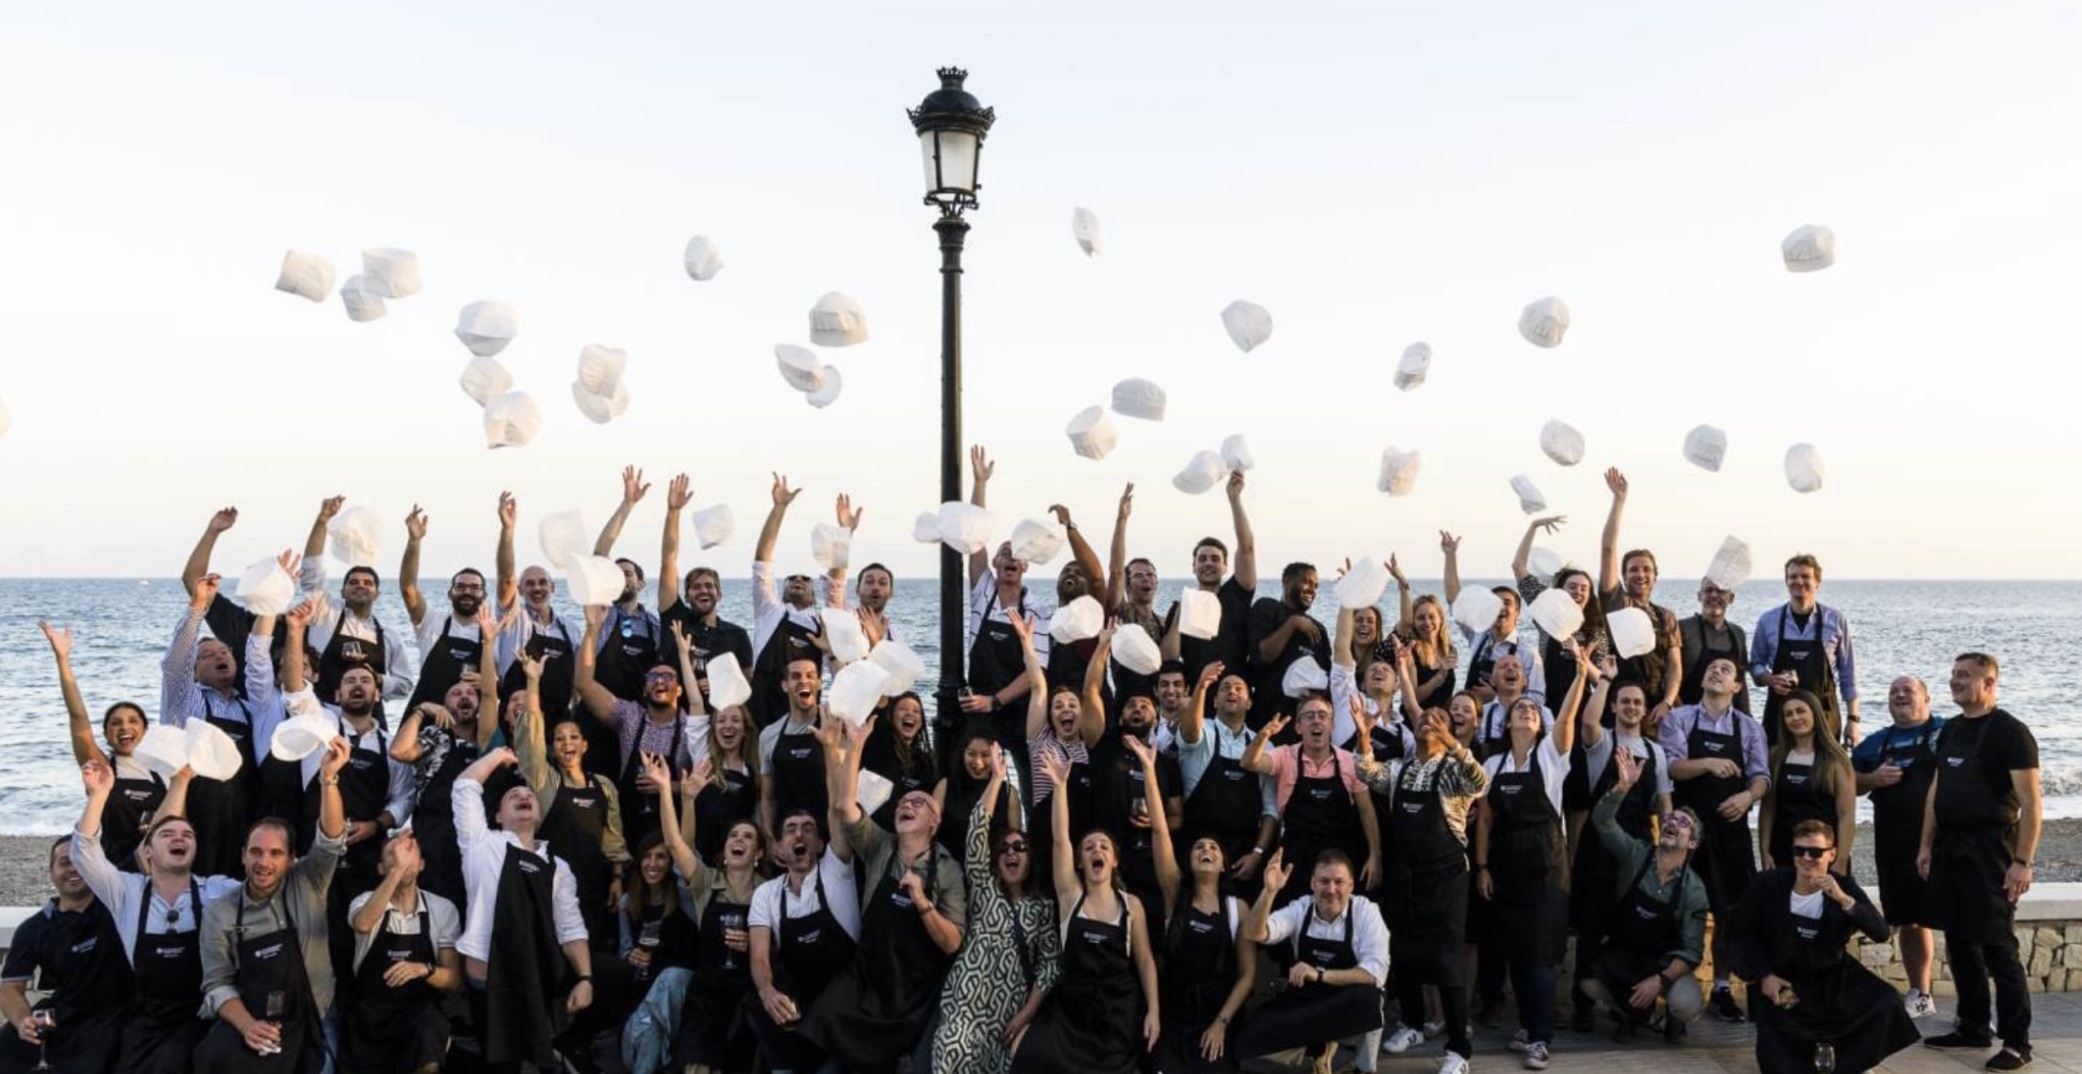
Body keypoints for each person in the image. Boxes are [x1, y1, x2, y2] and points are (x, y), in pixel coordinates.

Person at [799, 714, 967, 1071]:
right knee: (823, 1023)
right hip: (868, 977)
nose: (907, 805)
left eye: (918, 803)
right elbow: (845, 807)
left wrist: (923, 903)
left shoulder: (948, 869)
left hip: (912, 989)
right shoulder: (879, 846)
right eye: (904, 803)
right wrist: (855, 744)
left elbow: (953, 943)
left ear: (935, 823)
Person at [192, 738, 351, 1074]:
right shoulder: (221, 912)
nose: (264, 862)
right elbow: (216, 985)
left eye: (276, 853)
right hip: (258, 1021)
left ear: (292, 859)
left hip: (317, 1017)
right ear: (243, 856)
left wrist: (329, 779)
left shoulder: (309, 881)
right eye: (256, 852)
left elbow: (331, 839)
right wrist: (248, 1025)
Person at [1918, 652, 2040, 1070]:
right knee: (1959, 940)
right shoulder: (1950, 729)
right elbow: (1937, 789)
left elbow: (2030, 802)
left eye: (1964, 676)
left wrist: (2022, 862)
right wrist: (1926, 845)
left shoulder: (2012, 733)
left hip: (1993, 851)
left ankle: (2016, 1042)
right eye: (1953, 674)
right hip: (1950, 849)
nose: (1955, 681)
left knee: (1997, 946)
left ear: (1989, 684)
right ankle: (1972, 1026)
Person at [1356, 696, 1489, 1071]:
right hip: (1406, 874)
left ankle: (1458, 1050)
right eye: (1424, 718)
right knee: (1406, 953)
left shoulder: (1452, 768)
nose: (1428, 721)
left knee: (1447, 960)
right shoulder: (1399, 769)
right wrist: (1365, 736)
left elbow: (1480, 781)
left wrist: (1453, 744)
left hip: (1446, 876)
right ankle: (1412, 1024)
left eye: (1439, 718)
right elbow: (1366, 772)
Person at [72, 760, 231, 1074]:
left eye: (187, 835)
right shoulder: (126, 891)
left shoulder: (215, 890)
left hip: (200, 1018)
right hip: (146, 1023)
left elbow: (266, 884)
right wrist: (99, 795)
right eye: (167, 834)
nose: (179, 838)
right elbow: (83, 853)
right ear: (147, 852)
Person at [1011, 746, 1161, 1074]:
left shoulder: (1131, 904)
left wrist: (1154, 1011)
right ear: (1079, 862)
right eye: (1089, 847)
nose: (1096, 850)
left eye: (1104, 846)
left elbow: (1146, 961)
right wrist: (1061, 787)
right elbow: (1060, 839)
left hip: (1117, 1010)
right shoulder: (1070, 896)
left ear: (1114, 860)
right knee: (1028, 1051)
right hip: (1072, 1007)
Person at [1728, 820, 1919, 1073]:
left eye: (1815, 852)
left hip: (1832, 978)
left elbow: (1880, 932)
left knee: (1886, 1001)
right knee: (1782, 1060)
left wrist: (1843, 900)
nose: (1807, 858)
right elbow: (1742, 934)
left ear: (1831, 853)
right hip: (1783, 981)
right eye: (1800, 851)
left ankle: (1848, 1062)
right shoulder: (1768, 885)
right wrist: (1764, 974)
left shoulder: (1843, 887)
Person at [1473, 658, 1590, 1068]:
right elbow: (1484, 819)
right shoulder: (1492, 766)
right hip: (1505, 865)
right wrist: (1483, 866)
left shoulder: (1551, 757)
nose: (1526, 711)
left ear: (1541, 725)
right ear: (1506, 725)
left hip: (1546, 864)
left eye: (1533, 711)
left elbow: (1570, 716)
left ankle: (1541, 1037)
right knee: (1517, 952)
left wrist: (1580, 675)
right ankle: (1527, 1025)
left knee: (1540, 955)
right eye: (1519, 709)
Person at [451, 747, 596, 1072]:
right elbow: (464, 786)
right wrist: (498, 756)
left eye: (529, 794)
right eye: (513, 795)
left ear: (540, 815)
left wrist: (585, 978)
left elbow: (570, 928)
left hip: (536, 982)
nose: (523, 796)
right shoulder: (479, 844)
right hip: (487, 986)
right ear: (498, 816)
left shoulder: (558, 867)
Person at [929, 743, 1060, 1074]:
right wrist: (998, 778)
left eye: (1020, 848)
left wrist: (1026, 1015)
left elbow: (1049, 966)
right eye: (1004, 848)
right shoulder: (983, 883)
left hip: (1010, 1011)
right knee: (948, 1056)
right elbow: (978, 826)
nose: (1012, 853)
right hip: (965, 1006)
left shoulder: (1042, 907)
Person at [1563, 652, 1670, 1033]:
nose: (1631, 706)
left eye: (1637, 702)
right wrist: (1605, 677)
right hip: (1598, 848)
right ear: (1614, 706)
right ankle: (1582, 1005)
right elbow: (1587, 720)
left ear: (1644, 710)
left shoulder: (1656, 752)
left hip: (1638, 850)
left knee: (1631, 930)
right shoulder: (1603, 741)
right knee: (1591, 929)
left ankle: (1626, 1007)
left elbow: (1664, 806)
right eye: (1624, 701)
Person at [1659, 656, 1769, 1021]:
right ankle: (1674, 990)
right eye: (1712, 668)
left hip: (1732, 832)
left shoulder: (1750, 728)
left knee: (1730, 914)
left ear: (1738, 687)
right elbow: (1672, 767)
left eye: (1726, 670)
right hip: (1690, 832)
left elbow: (1761, 777)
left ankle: (1722, 989)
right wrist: (1707, 763)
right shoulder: (1680, 718)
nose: (1716, 671)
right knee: (1678, 911)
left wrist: (1747, 797)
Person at [1578, 749, 1709, 1043]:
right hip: (1626, 953)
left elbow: (1692, 952)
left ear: (1693, 843)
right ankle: (1636, 1014)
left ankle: (1673, 1017)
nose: (1673, 823)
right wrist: (1622, 787)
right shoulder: (1636, 854)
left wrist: (1659, 980)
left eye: (1683, 824)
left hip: (1663, 963)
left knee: (1687, 1003)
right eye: (1670, 819)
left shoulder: (1694, 888)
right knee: (1588, 980)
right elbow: (1603, 823)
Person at [514, 651, 632, 958]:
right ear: (552, 749)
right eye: (559, 739)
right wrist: (532, 682)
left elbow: (613, 840)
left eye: (573, 737)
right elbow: (531, 737)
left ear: (584, 745)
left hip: (595, 888)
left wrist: (618, 878)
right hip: (552, 889)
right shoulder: (545, 783)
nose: (567, 743)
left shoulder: (604, 787)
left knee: (594, 956)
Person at [650, 760, 765, 1074]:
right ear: (724, 850)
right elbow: (675, 843)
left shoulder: (770, 892)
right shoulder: (705, 882)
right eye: (733, 837)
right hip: (706, 999)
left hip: (748, 998)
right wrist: (666, 790)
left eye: (748, 837)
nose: (738, 840)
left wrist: (755, 946)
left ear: (759, 854)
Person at [159, 571, 273, 877]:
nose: (219, 656)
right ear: (194, 671)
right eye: (207, 655)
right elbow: (175, 663)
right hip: (195, 811)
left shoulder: (247, 707)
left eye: (224, 652)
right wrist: (198, 606)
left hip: (242, 813)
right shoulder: (185, 696)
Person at [387, 610, 503, 908]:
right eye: (456, 694)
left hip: (479, 835)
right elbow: (399, 751)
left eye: (470, 694)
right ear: (444, 704)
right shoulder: (432, 737)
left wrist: (488, 643)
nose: (464, 697)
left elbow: (490, 696)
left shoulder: (486, 738)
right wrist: (419, 710)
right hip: (435, 837)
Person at [1236, 849, 1387, 1074]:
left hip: (1346, 999)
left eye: (1339, 882)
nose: (1331, 889)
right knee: (1246, 1042)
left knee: (1370, 998)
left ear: (1351, 886)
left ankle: (1364, 1069)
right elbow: (1254, 933)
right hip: (1307, 999)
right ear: (1313, 884)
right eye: (1324, 881)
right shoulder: (1301, 907)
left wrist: (1319, 973)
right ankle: (1318, 1051)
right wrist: (1269, 892)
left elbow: (1375, 972)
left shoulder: (1366, 911)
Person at [1148, 764, 1256, 1074]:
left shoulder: (1238, 909)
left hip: (1217, 1018)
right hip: (1174, 1017)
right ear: (1189, 861)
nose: (1206, 850)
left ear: (1224, 864)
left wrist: (1221, 1023)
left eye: (1213, 848)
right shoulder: (1174, 896)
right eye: (1199, 847)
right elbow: (1159, 830)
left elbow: (1248, 975)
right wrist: (1147, 767)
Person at [576, 602, 708, 849]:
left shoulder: (690, 727)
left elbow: (703, 784)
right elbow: (584, 685)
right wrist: (593, 629)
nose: (659, 680)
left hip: (674, 832)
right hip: (630, 827)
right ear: (645, 688)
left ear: (679, 689)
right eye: (653, 677)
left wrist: (670, 786)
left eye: (667, 677)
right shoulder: (629, 716)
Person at [1852, 675, 1946, 1019]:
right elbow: (1846, 780)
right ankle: (1921, 994)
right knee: (1909, 921)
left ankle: (1974, 1005)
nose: (1900, 695)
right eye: (1894, 692)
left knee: (1963, 923)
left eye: (1908, 690)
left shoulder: (1946, 733)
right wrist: (1872, 779)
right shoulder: (1876, 744)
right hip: (1893, 843)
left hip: (1945, 842)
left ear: (1927, 698)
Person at [0, 838, 131, 1074]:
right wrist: (23, 1022)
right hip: (63, 1014)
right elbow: (10, 988)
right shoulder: (34, 929)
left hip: (116, 1014)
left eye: (80, 862)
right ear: (51, 872)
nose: (73, 868)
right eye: (64, 862)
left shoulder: (119, 907)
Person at [745, 804, 858, 1074]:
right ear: (780, 848)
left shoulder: (838, 871)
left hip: (842, 1008)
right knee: (756, 1000)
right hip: (800, 1006)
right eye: (791, 830)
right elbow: (759, 957)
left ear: (820, 844)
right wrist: (767, 992)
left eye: (808, 829)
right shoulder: (766, 894)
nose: (799, 836)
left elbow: (838, 807)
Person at [1239, 695, 1382, 906]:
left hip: (1339, 860)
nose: (1317, 721)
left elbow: (1366, 811)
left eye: (1323, 716)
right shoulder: (1285, 755)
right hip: (1295, 860)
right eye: (1309, 716)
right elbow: (1248, 762)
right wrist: (1264, 735)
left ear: (1332, 725)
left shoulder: (1350, 761)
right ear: (1298, 727)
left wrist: (1375, 856)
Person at [339, 831, 463, 1074]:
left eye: (409, 851)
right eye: (392, 855)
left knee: (428, 1031)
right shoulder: (363, 901)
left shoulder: (442, 908)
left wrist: (423, 970)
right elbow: (363, 923)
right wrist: (398, 871)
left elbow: (455, 982)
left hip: (418, 1016)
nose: (402, 857)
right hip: (370, 1019)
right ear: (380, 868)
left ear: (422, 864)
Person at [46, 620, 164, 872]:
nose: (124, 727)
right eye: (115, 723)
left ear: (145, 730)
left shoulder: (165, 771)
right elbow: (78, 718)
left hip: (158, 875)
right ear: (107, 735)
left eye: (133, 721)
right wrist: (63, 659)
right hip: (111, 875)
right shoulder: (103, 769)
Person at [960, 448, 1053, 739]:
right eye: (1004, 552)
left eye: (1017, 554)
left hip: (1018, 708)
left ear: (1025, 565)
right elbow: (975, 538)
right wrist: (980, 484)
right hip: (978, 706)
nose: (1011, 558)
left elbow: (1035, 672)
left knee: (1030, 780)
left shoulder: (1037, 611)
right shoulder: (983, 592)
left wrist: (997, 700)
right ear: (995, 563)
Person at [1176, 665, 1279, 899]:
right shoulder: (1204, 730)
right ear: (1214, 701)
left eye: (1238, 688)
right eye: (1224, 688)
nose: (1232, 691)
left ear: (1249, 703)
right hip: (1197, 849)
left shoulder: (1265, 744)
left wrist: (1257, 853)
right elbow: (1190, 734)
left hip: (1243, 857)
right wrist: (1202, 685)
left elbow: (1270, 809)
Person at [298, 496, 413, 704]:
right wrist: (323, 520)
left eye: (368, 583)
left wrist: (378, 679)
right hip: (323, 712)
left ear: (377, 594)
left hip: (370, 721)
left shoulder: (389, 637)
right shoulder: (325, 614)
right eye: (354, 582)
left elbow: (405, 685)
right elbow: (310, 570)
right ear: (342, 591)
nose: (361, 585)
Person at [657, 474, 756, 710]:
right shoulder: (675, 618)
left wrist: (720, 684)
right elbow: (668, 561)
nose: (704, 590)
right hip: (674, 719)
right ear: (687, 594)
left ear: (719, 594)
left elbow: (748, 681)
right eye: (696, 586)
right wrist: (674, 512)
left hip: (718, 723)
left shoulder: (737, 635)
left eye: (709, 586)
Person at [1595, 469, 1683, 722]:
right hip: (1621, 703)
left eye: (1646, 569)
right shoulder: (1618, 603)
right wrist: (1619, 500)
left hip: (1659, 707)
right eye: (1633, 569)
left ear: (1656, 576)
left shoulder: (1666, 616)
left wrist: (1667, 702)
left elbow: (1674, 667)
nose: (1640, 574)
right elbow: (1608, 549)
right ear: (1623, 576)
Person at [747, 476, 836, 725]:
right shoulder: (769, 611)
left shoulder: (823, 625)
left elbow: (839, 675)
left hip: (804, 719)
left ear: (814, 590)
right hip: (760, 715)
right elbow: (761, 562)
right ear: (782, 586)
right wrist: (779, 508)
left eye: (805, 578)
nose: (798, 580)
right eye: (792, 577)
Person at [494, 491, 585, 729]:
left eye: (543, 582)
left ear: (552, 587)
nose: (537, 588)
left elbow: (577, 686)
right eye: (530, 584)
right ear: (520, 590)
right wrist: (508, 530)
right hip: (517, 724)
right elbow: (505, 577)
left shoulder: (570, 629)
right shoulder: (514, 620)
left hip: (559, 726)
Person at [1750, 553, 1859, 747]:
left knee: (1824, 775)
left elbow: (1847, 674)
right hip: (1780, 714)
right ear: (1786, 582)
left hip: (1824, 715)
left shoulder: (1835, 620)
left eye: (1805, 576)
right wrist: (1769, 679)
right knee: (1778, 771)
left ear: (1817, 582)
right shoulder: (1768, 620)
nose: (1798, 581)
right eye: (1793, 577)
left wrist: (1853, 720)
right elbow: (1755, 664)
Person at [674, 624, 761, 868]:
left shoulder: (752, 769)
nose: (728, 725)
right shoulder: (703, 758)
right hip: (700, 859)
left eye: (735, 720)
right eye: (721, 720)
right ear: (713, 727)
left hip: (737, 862)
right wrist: (684, 655)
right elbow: (695, 701)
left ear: (745, 730)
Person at [1163, 470, 1259, 688]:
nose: (1208, 563)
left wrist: (1234, 499)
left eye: (1215, 559)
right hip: (1197, 697)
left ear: (1225, 567)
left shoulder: (1237, 594)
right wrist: (1182, 611)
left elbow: (1247, 548)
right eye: (1202, 558)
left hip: (1234, 695)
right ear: (1193, 566)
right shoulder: (1181, 607)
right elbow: (1169, 658)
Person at [398, 504, 499, 711]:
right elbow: (408, 588)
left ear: (484, 595)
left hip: (471, 723)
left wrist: (489, 682)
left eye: (474, 587)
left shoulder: (493, 634)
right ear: (450, 593)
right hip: (425, 716)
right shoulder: (432, 623)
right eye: (460, 586)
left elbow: (504, 683)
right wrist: (414, 541)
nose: (467, 591)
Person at [588, 466, 670, 702]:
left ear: (641, 583)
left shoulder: (653, 626)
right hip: (597, 708)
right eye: (615, 573)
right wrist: (628, 504)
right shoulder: (602, 612)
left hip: (637, 715)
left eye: (628, 573)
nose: (621, 577)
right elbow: (600, 555)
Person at [1441, 530, 1547, 704]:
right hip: (1472, 721)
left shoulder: (1528, 654)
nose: (1500, 607)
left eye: (1507, 603)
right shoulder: (1477, 634)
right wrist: (1450, 555)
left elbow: (1537, 699)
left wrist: (1497, 698)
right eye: (1495, 603)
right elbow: (1455, 600)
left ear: (1517, 612)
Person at [1512, 516, 1612, 693]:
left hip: (1579, 700)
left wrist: (1581, 658)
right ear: (1560, 590)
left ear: (1589, 596)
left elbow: (1601, 681)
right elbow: (1519, 567)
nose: (1578, 592)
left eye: (1584, 588)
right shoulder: (1547, 610)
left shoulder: (1596, 630)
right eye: (1572, 587)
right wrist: (1533, 526)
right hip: (1544, 696)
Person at [1758, 690, 1854, 873]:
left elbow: (1846, 815)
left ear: (1815, 714)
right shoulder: (1776, 756)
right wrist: (1764, 851)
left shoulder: (1836, 759)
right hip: (1783, 850)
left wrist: (1840, 860)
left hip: (1821, 852)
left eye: (1800, 711)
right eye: (1789, 714)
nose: (1795, 717)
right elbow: (1768, 808)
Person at [1248, 562, 1328, 728]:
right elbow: (1263, 655)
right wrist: (1292, 623)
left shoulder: (1318, 630)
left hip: (1302, 726)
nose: (1312, 590)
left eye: (1316, 586)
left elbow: (1325, 678)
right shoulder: (1267, 608)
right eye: (1306, 582)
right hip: (1265, 721)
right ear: (1286, 581)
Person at [757, 657, 829, 837]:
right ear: (785, 685)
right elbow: (768, 797)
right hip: (788, 836)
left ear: (819, 683)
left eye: (810, 676)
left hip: (829, 832)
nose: (804, 681)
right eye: (796, 676)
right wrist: (770, 840)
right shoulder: (769, 735)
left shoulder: (833, 724)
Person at [933, 720, 1022, 860]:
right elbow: (930, 832)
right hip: (949, 867)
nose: (978, 762)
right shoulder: (945, 786)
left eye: (986, 755)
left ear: (997, 756)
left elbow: (1017, 844)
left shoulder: (1009, 794)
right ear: (962, 754)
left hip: (992, 872)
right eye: (971, 754)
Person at [860, 692, 938, 832]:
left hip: (910, 835)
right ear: (891, 717)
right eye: (903, 709)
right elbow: (880, 708)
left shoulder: (925, 762)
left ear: (921, 722)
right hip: (876, 832)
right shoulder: (879, 748)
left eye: (916, 711)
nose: (910, 713)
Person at [1676, 579, 1751, 715]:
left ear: (1731, 598)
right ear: (1699, 596)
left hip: (1724, 722)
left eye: (1721, 591)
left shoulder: (1737, 634)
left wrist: (1747, 718)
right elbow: (1667, 676)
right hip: (1685, 717)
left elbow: (1740, 682)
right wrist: (1680, 715)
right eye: (1708, 590)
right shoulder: (1682, 629)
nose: (1714, 595)